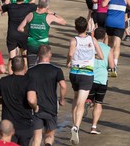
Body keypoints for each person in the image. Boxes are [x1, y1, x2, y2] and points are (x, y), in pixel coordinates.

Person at [67, 16, 104, 145]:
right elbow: (101, 55)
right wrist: (91, 56)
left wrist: (68, 62)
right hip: (87, 73)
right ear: (87, 28)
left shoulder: (74, 40)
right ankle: (76, 126)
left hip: (74, 73)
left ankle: (73, 123)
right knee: (81, 104)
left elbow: (70, 55)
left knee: (75, 98)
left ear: (76, 28)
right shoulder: (92, 39)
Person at [0, 56, 37, 146]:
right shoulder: (29, 81)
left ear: (11, 68)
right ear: (25, 67)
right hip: (25, 125)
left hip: (8, 127)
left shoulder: (3, 81)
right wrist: (35, 107)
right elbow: (31, 99)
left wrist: (3, 100)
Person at [27, 45, 67, 146]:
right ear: (50, 55)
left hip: (36, 107)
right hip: (51, 107)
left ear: (38, 55)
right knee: (49, 135)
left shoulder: (31, 71)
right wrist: (62, 99)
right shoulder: (57, 70)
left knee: (36, 137)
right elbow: (63, 85)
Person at [0, 0, 37, 74]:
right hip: (24, 33)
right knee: (24, 55)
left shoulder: (10, 6)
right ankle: (24, 74)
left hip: (12, 34)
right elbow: (42, 8)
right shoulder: (29, 6)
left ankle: (11, 75)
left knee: (12, 57)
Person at [84, 27, 115, 135]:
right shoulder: (108, 49)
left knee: (89, 96)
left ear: (94, 36)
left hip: (90, 77)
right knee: (98, 103)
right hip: (102, 79)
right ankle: (93, 127)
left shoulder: (90, 47)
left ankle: (88, 101)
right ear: (104, 36)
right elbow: (111, 65)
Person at [102, 0, 130, 77]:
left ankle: (108, 63)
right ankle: (114, 65)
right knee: (117, 44)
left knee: (109, 44)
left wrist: (107, 2)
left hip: (109, 22)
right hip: (119, 24)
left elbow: (103, 4)